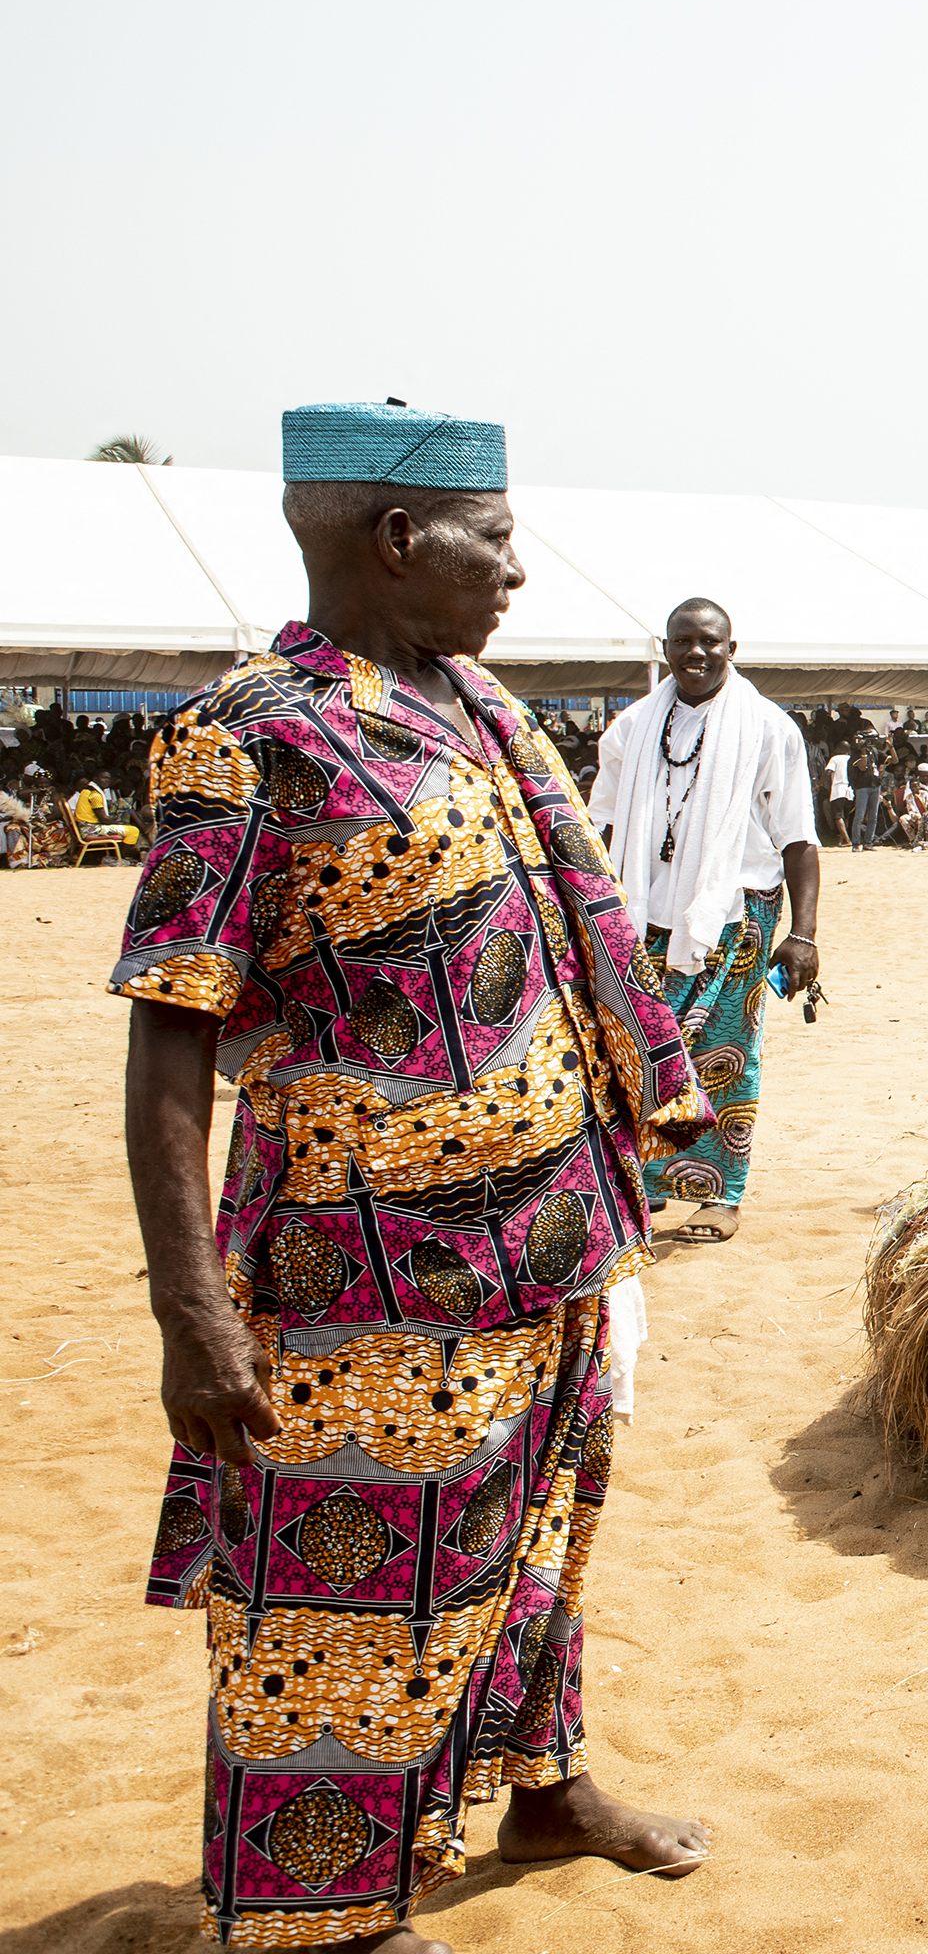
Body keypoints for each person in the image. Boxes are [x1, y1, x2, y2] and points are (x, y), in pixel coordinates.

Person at [115, 400, 712, 1954]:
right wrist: (191, 1307)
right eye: (496, 537)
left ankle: (540, 1781)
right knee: (343, 1599)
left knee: (536, 1543)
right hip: (366, 1275)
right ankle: (325, 1917)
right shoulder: (246, 736)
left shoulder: (471, 705)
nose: (518, 567)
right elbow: (171, 1036)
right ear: (398, 538)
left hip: (552, 1241)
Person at [593, 597, 823, 1244]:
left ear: (732, 649)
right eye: (682, 641)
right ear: (664, 649)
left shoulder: (770, 729)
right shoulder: (632, 729)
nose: (695, 653)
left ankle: (720, 1195)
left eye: (709, 642)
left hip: (738, 917)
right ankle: (656, 1182)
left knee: (727, 1054)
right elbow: (601, 826)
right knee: (649, 1052)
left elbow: (799, 840)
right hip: (643, 916)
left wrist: (802, 936)